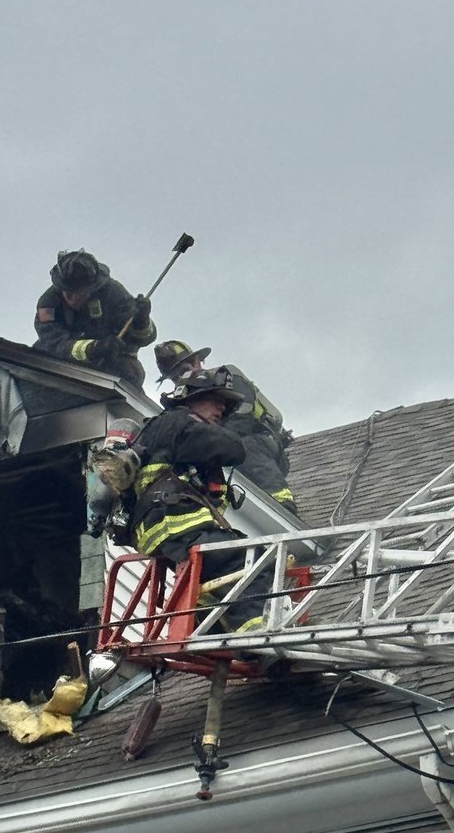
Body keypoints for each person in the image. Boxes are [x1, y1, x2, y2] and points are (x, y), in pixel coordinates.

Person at [129, 369, 269, 632]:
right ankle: (257, 635)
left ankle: (207, 622)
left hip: (171, 531)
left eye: (225, 405)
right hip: (176, 526)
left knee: (221, 573)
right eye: (214, 398)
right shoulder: (177, 422)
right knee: (252, 558)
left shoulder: (167, 429)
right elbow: (232, 449)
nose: (221, 408)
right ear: (189, 398)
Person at [154, 340, 298, 514]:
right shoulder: (188, 398)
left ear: (197, 361)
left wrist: (214, 442)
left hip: (262, 443)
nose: (180, 380)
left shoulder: (227, 378)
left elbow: (243, 419)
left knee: (245, 446)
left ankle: (282, 502)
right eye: (174, 377)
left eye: (183, 371)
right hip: (226, 447)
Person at [33, 249, 156, 386]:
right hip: (63, 360)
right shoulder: (47, 305)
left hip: (109, 359)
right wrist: (93, 348)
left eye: (81, 294)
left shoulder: (113, 293)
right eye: (69, 294)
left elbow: (140, 339)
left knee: (130, 370)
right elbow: (53, 343)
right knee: (36, 360)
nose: (74, 300)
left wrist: (142, 321)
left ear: (93, 288)